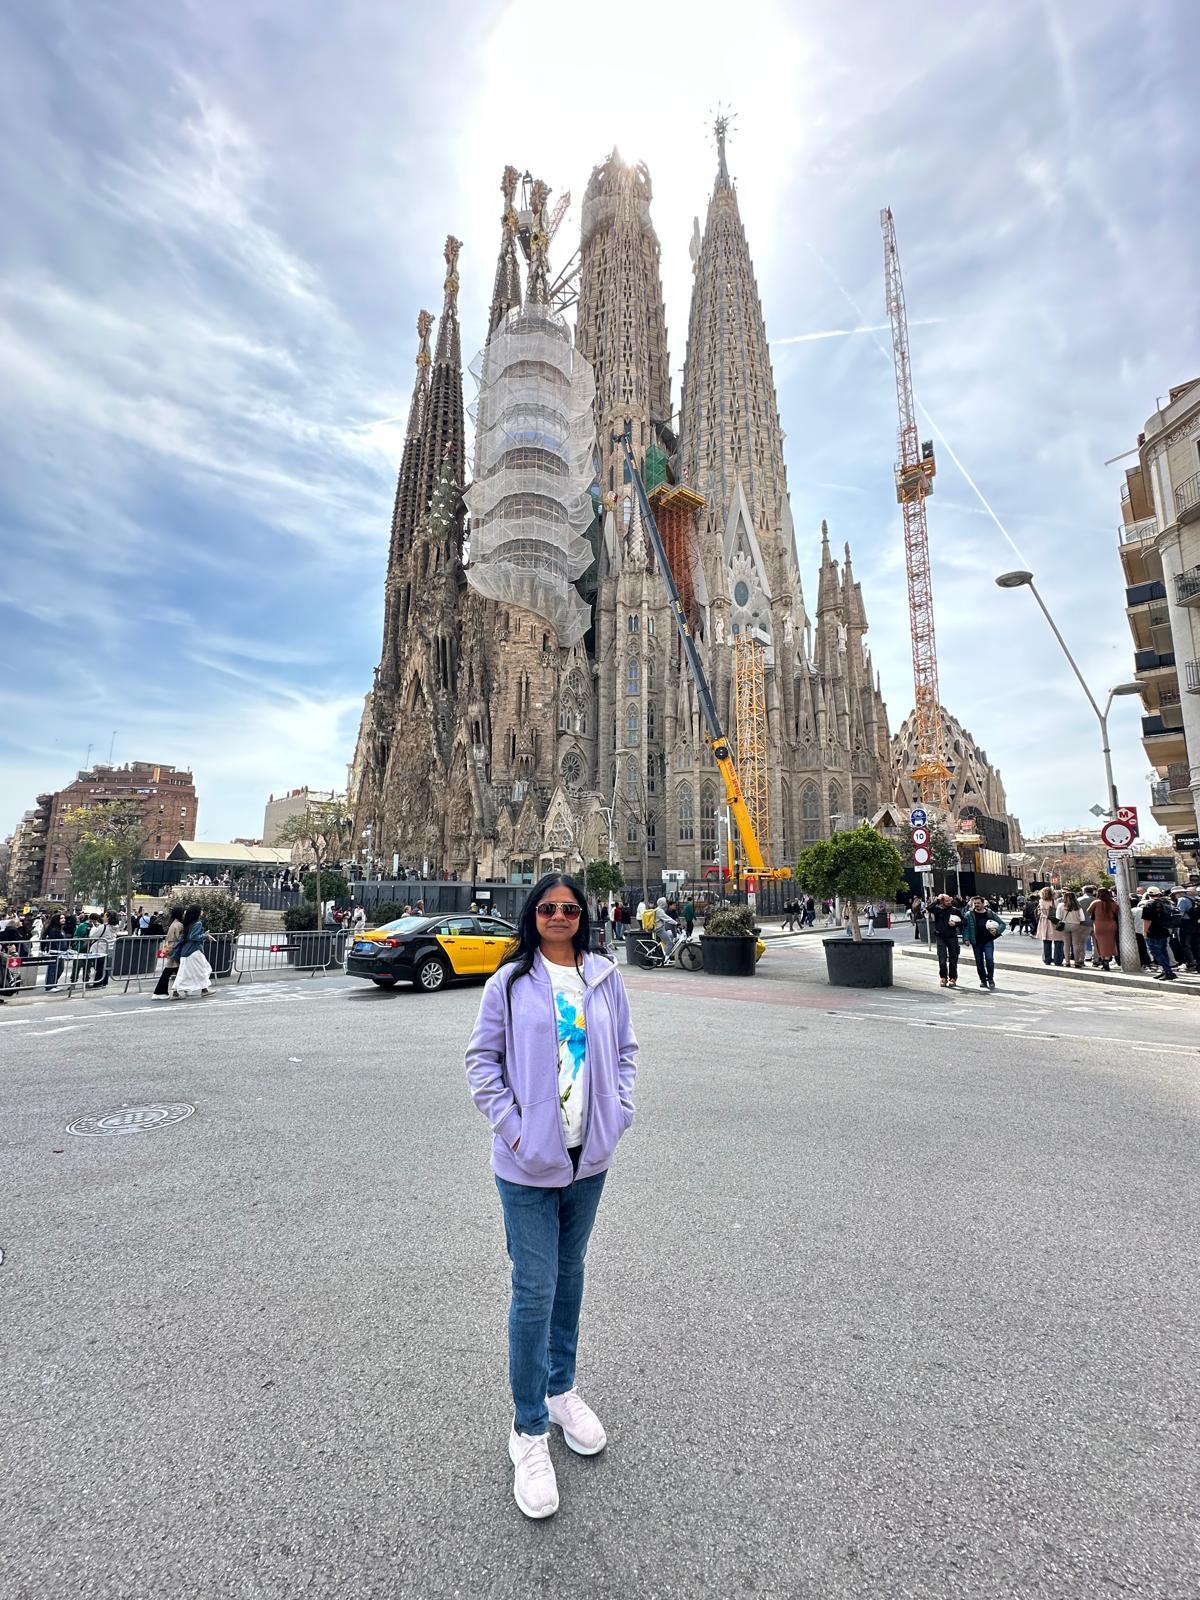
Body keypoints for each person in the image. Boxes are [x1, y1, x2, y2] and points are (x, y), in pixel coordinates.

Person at [465, 873, 637, 1521]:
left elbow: (624, 1052)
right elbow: (481, 1064)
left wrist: (618, 1113)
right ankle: (529, 1427)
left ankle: (562, 1389)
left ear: (582, 916)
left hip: (588, 1158)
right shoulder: (507, 983)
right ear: (531, 916)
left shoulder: (604, 976)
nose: (559, 915)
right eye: (547, 907)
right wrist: (513, 1131)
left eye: (569, 908)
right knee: (534, 1289)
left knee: (569, 1280)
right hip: (526, 1164)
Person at [171, 904, 214, 998]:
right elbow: (193, 937)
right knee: (203, 969)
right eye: (201, 910)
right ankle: (204, 990)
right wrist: (205, 936)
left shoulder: (188, 923)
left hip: (186, 951)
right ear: (197, 913)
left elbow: (188, 936)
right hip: (194, 951)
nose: (202, 911)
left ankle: (176, 991)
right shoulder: (198, 923)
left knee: (184, 973)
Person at [962, 895, 1003, 989]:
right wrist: (966, 939)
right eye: (975, 903)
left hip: (988, 941)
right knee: (979, 961)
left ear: (983, 904)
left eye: (978, 903)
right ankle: (983, 980)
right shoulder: (969, 914)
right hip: (976, 942)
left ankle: (991, 979)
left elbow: (1002, 924)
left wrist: (997, 931)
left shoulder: (990, 913)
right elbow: (965, 928)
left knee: (989, 960)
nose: (976, 905)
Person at [1140, 888, 1177, 980]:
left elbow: (1147, 920)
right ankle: (1166, 971)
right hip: (1164, 930)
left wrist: (1145, 931)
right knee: (1163, 951)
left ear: (1148, 894)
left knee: (1156, 952)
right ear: (1159, 894)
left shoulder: (1148, 905)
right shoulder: (1165, 903)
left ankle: (1168, 972)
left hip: (1152, 931)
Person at [153, 904, 186, 998]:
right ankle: (160, 992)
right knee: (169, 971)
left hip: (170, 948)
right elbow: (180, 938)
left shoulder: (173, 923)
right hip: (174, 949)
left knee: (175, 970)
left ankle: (175, 991)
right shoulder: (179, 925)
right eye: (183, 913)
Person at [929, 893, 961, 987]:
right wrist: (937, 900)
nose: (948, 902)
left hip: (952, 937)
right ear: (942, 902)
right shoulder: (938, 910)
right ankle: (943, 977)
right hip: (940, 937)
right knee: (942, 958)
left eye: (949, 900)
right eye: (946, 901)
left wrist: (955, 924)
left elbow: (964, 921)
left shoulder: (955, 910)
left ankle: (953, 978)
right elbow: (929, 908)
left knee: (953, 958)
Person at [1090, 887, 1119, 970]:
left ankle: (1103, 961)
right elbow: (1117, 912)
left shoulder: (1096, 902)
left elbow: (1088, 911)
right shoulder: (1113, 903)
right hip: (1111, 925)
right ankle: (1107, 960)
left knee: (1100, 943)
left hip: (1099, 925)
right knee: (1110, 943)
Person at [88, 911, 119, 988]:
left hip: (99, 949)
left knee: (99, 967)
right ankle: (104, 982)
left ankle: (98, 983)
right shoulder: (115, 927)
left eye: (105, 916)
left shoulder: (103, 927)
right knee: (105, 966)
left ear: (108, 917)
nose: (103, 917)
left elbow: (92, 936)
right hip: (109, 949)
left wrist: (94, 928)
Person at [1036, 888, 1064, 967]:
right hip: (1054, 922)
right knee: (1058, 941)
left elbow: (1039, 912)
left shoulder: (1041, 901)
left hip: (1044, 922)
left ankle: (1047, 959)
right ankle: (1058, 960)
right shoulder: (1055, 901)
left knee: (1046, 942)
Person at [1059, 892, 1087, 969]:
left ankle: (1067, 962)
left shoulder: (1061, 906)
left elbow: (1058, 917)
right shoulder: (1078, 907)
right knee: (1076, 944)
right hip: (1076, 925)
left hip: (1065, 925)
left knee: (1066, 944)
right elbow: (1082, 919)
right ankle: (1076, 962)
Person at [42, 912, 69, 992]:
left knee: (60, 968)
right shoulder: (54, 929)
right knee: (53, 968)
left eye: (64, 918)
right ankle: (49, 986)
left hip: (61, 952)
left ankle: (53, 984)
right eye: (61, 918)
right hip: (55, 952)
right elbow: (54, 942)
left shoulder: (61, 929)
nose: (63, 919)